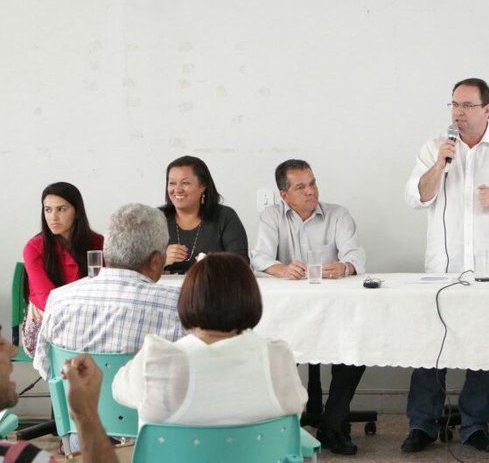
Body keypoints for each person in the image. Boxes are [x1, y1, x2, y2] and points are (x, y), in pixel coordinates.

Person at [402, 78, 489, 453]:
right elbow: (417, 196)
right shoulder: (435, 148)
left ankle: (475, 425)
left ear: (488, 110)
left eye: (466, 106)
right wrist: (439, 164)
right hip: (443, 268)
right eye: (453, 105)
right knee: (431, 344)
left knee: (484, 346)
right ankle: (422, 424)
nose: (458, 113)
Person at [250, 159, 366, 456]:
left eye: (312, 183)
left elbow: (356, 255)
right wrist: (281, 269)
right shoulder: (271, 217)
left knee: (357, 346)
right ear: (284, 194)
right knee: (270, 351)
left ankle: (334, 422)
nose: (310, 191)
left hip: (333, 308)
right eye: (300, 187)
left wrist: (345, 267)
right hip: (288, 312)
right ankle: (285, 423)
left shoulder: (338, 215)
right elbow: (260, 259)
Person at [113, 253, 307, 426]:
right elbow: (296, 409)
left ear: (188, 299)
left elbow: (118, 390)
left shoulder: (157, 359)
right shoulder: (278, 358)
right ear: (250, 298)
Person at [34, 203, 184, 380]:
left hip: (75, 407)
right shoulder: (178, 306)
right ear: (156, 261)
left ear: (107, 251)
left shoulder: (59, 299)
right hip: (147, 407)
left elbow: (46, 369)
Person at [0, 329, 117, 463]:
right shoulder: (23, 457)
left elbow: (45, 369)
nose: (14, 350)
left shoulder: (55, 308)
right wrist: (86, 415)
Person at [22, 182, 104, 357]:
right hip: (45, 320)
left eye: (61, 209)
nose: (53, 217)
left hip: (89, 318)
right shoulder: (34, 247)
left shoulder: (98, 243)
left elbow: (107, 288)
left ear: (77, 211)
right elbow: (47, 300)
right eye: (48, 210)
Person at [162, 155, 248, 274]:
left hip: (212, 289)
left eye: (185, 183)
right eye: (172, 183)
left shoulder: (225, 216)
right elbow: (137, 269)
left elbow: (242, 264)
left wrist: (212, 265)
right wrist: (162, 261)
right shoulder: (156, 218)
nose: (177, 189)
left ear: (203, 186)